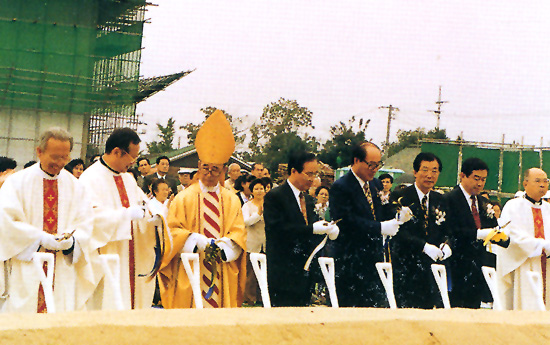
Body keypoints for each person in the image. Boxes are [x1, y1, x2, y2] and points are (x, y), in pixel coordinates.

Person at [159, 110, 247, 308]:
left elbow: (239, 233)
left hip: (221, 269)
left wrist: (225, 246)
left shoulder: (231, 200)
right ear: (199, 166)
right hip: (190, 268)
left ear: (224, 170)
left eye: (215, 169)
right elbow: (171, 232)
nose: (209, 174)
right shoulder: (183, 198)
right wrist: (193, 240)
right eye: (205, 168)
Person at [0, 127, 94, 313]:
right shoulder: (17, 182)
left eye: (65, 157)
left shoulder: (76, 187)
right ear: (39, 152)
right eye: (55, 157)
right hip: (27, 268)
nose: (60, 163)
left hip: (62, 272)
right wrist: (39, 238)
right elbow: (5, 222)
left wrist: (72, 242)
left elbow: (86, 223)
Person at [79, 127, 156, 310]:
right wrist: (125, 215)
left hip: (131, 256)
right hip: (107, 257)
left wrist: (153, 219)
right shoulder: (90, 178)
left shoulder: (128, 180)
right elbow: (88, 218)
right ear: (116, 152)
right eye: (132, 157)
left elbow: (144, 208)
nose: (134, 163)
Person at [329, 142, 411, 307]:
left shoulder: (375, 185)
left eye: (378, 165)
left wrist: (398, 215)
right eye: (371, 165)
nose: (375, 169)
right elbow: (346, 221)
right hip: (350, 257)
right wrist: (380, 228)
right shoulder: (341, 187)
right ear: (357, 160)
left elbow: (381, 211)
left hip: (373, 255)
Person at [264, 151, 339, 307]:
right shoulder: (275, 196)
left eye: (315, 174)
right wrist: (311, 229)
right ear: (293, 171)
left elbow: (312, 230)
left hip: (304, 272)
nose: (312, 179)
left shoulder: (308, 200)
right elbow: (278, 230)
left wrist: (327, 229)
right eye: (309, 174)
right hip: (283, 272)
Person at [444, 157, 509, 308]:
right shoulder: (449, 199)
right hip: (456, 264)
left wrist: (502, 237)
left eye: (483, 179)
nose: (480, 183)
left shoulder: (483, 202)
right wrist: (478, 234)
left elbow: (492, 228)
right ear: (462, 176)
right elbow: (449, 230)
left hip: (478, 266)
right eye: (476, 178)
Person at [389, 152, 451, 309]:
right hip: (406, 267)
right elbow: (399, 231)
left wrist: (446, 244)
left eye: (434, 171)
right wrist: (423, 246)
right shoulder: (400, 197)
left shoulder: (440, 199)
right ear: (415, 172)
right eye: (425, 169)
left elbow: (447, 228)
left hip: (431, 269)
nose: (430, 175)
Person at [497, 168, 550, 310]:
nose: (542, 185)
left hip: (547, 265)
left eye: (545, 181)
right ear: (525, 183)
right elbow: (511, 235)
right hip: (524, 264)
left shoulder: (548, 208)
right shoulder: (513, 206)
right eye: (537, 181)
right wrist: (541, 245)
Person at [242, 178, 268, 305]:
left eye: (261, 188)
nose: (259, 191)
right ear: (251, 191)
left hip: (266, 242)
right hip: (252, 242)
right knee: (251, 272)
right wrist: (258, 214)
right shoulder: (247, 206)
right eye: (256, 189)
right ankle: (249, 298)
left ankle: (262, 297)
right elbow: (245, 222)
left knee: (265, 271)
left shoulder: (269, 204)